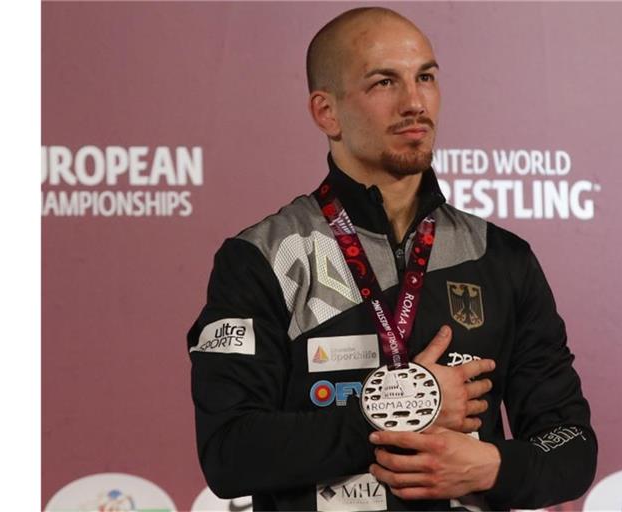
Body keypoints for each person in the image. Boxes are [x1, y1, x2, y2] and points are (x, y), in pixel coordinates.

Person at [188, 7, 597, 511]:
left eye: (425, 77)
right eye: (384, 82)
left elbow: (571, 444)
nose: (414, 102)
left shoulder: (501, 257)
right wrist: (391, 414)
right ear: (326, 112)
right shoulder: (262, 257)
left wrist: (492, 466)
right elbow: (229, 452)